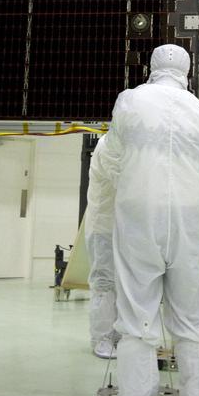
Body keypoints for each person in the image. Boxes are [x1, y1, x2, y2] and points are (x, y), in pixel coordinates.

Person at [93, 44, 199, 396]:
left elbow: (110, 156)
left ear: (151, 68)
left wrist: (133, 181)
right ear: (187, 72)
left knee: (137, 323)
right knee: (195, 326)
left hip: (139, 220)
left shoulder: (131, 100)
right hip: (188, 221)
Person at [85, 135, 118, 359]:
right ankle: (102, 339)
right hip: (104, 226)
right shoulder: (108, 145)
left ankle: (119, 335)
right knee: (104, 283)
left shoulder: (130, 147)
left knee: (123, 286)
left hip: (123, 227)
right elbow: (124, 180)